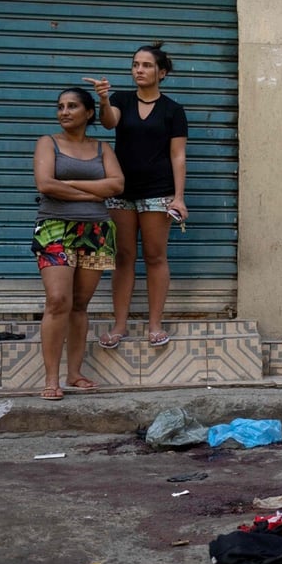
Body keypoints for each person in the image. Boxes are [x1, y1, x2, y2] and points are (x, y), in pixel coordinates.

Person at [83, 41, 188, 349]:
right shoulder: (121, 100)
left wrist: (178, 197)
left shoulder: (173, 110)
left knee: (155, 257)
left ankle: (155, 324)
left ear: (162, 72)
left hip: (158, 193)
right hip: (121, 191)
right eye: (135, 65)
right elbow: (108, 122)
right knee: (124, 258)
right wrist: (103, 99)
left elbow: (178, 156)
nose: (139, 70)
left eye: (146, 65)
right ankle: (120, 326)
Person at [32, 87, 124, 400]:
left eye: (72, 106)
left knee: (80, 304)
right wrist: (93, 193)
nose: (64, 112)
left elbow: (117, 184)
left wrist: (68, 184)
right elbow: (45, 184)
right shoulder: (48, 143)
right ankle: (51, 379)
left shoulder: (102, 148)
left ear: (88, 113)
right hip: (54, 228)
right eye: (60, 106)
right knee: (58, 300)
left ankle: (74, 374)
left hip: (96, 231)